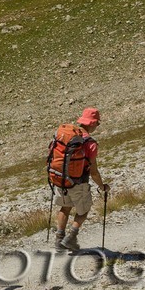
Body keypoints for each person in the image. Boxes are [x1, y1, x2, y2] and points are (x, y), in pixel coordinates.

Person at [47, 107, 109, 251]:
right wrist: (102, 186)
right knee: (83, 211)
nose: (97, 126)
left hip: (61, 180)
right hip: (79, 182)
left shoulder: (68, 136)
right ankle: (71, 238)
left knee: (65, 207)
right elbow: (93, 172)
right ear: (92, 123)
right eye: (97, 123)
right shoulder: (90, 144)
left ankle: (59, 241)